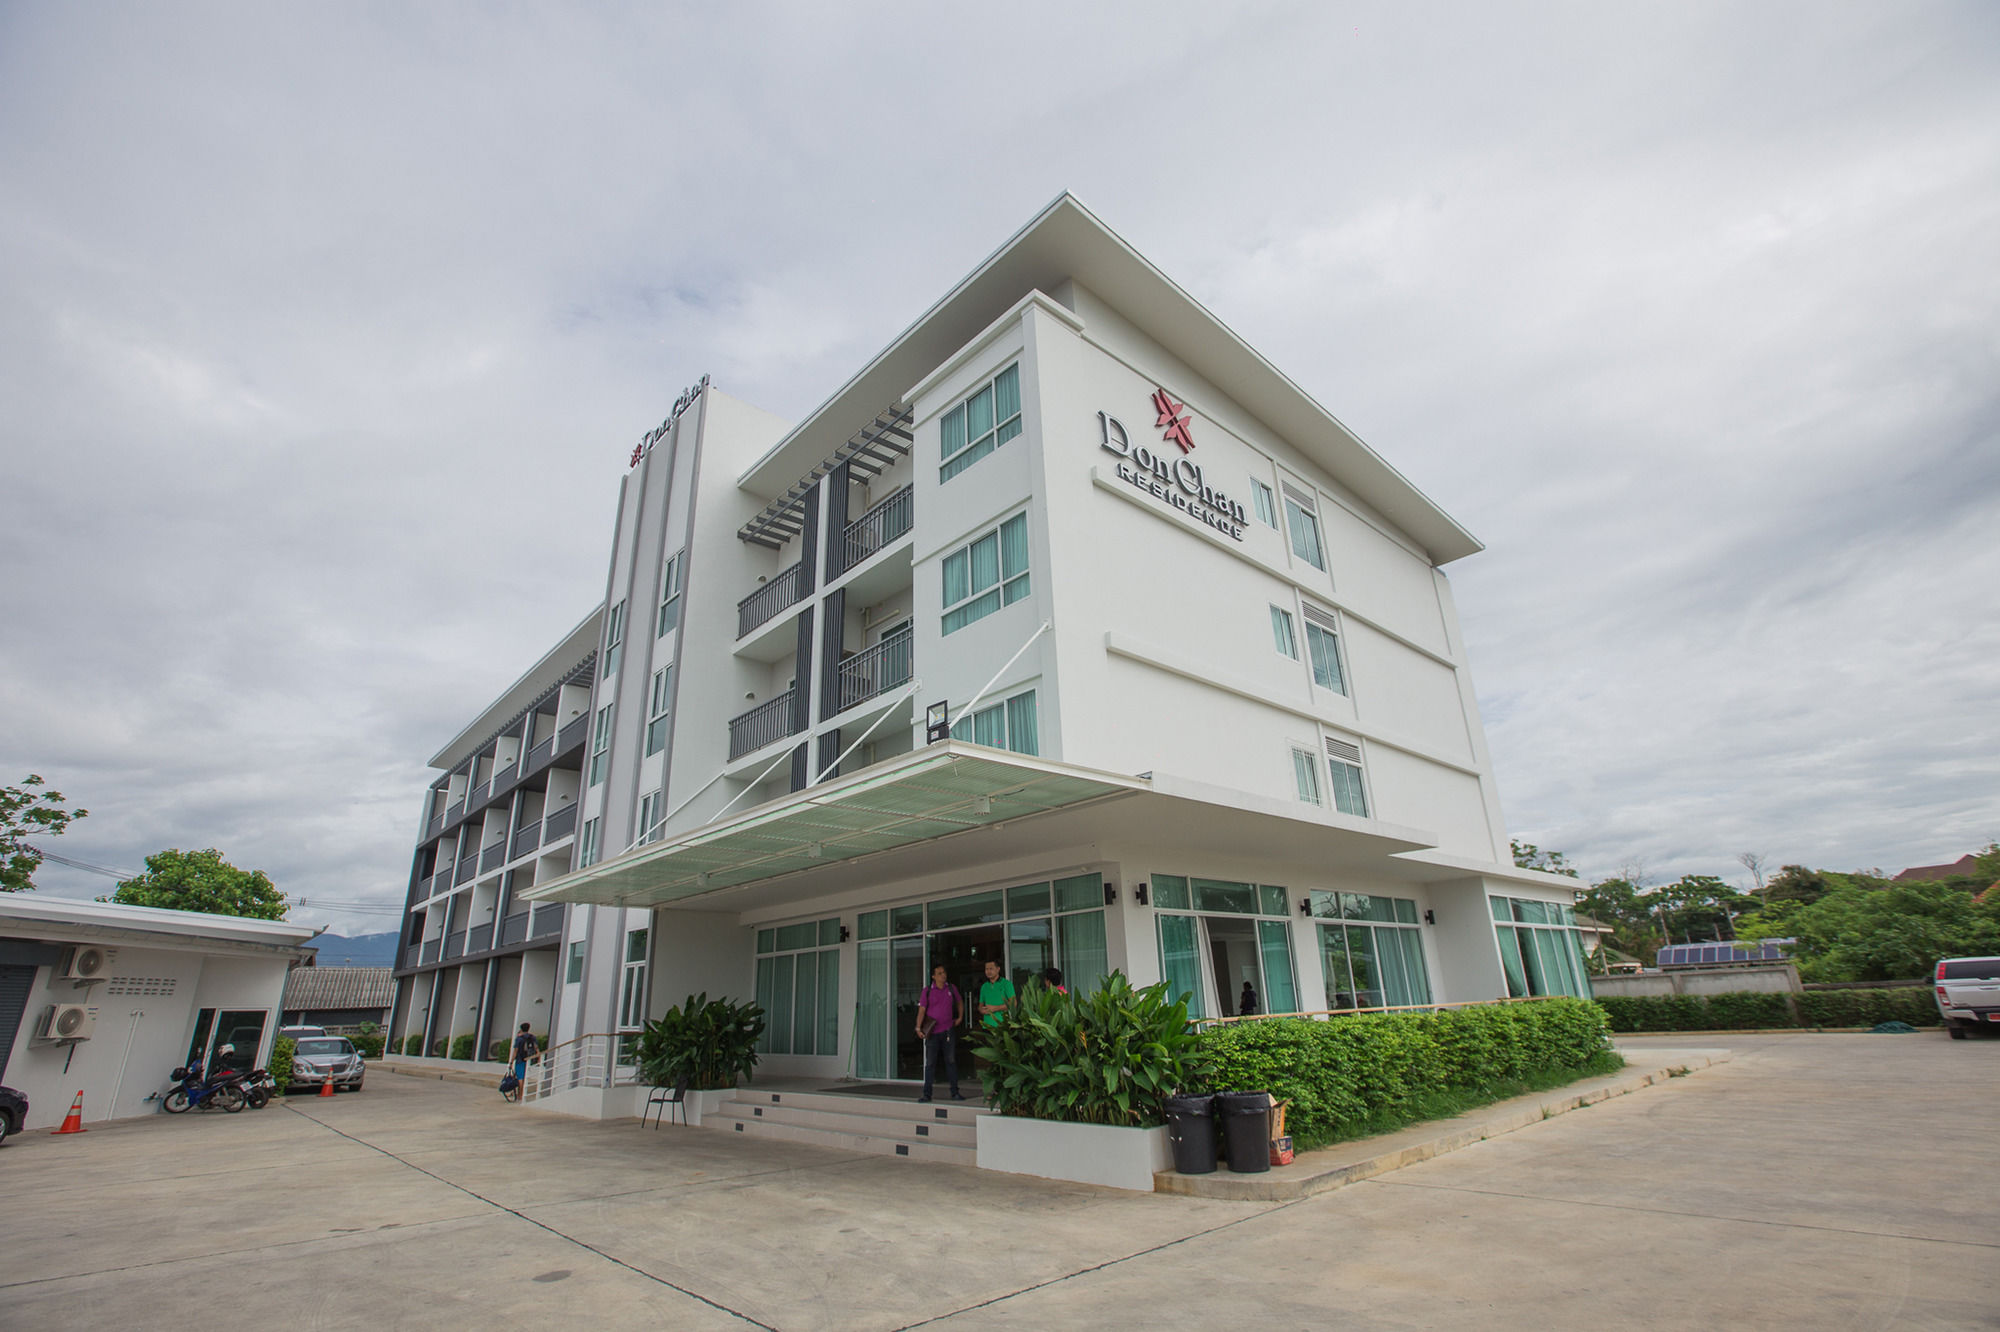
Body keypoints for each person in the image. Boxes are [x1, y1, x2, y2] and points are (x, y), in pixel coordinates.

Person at [915, 964, 965, 1104]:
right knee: (930, 1063)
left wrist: (960, 1017)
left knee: (951, 1061)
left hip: (948, 1030)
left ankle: (955, 1092)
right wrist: (918, 1028)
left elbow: (960, 1001)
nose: (943, 975)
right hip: (933, 1032)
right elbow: (922, 1010)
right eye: (939, 973)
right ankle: (927, 1094)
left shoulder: (951, 988)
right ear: (933, 976)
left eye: (944, 972)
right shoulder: (927, 991)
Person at [977, 958, 1016, 1028]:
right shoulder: (984, 986)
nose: (988, 971)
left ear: (998, 969)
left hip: (1002, 1025)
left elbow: (1014, 1003)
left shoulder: (1006, 984)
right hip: (987, 1026)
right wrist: (981, 1010)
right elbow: (980, 1005)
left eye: (991, 969)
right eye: (986, 969)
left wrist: (995, 1008)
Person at [508, 1023, 539, 1102]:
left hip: (520, 1060)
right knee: (523, 1077)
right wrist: (538, 1058)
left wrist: (511, 1062)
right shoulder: (532, 1037)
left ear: (521, 1029)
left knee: (520, 1078)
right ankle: (519, 1094)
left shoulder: (519, 1039)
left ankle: (520, 1095)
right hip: (528, 1060)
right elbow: (536, 1048)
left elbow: (515, 1051)